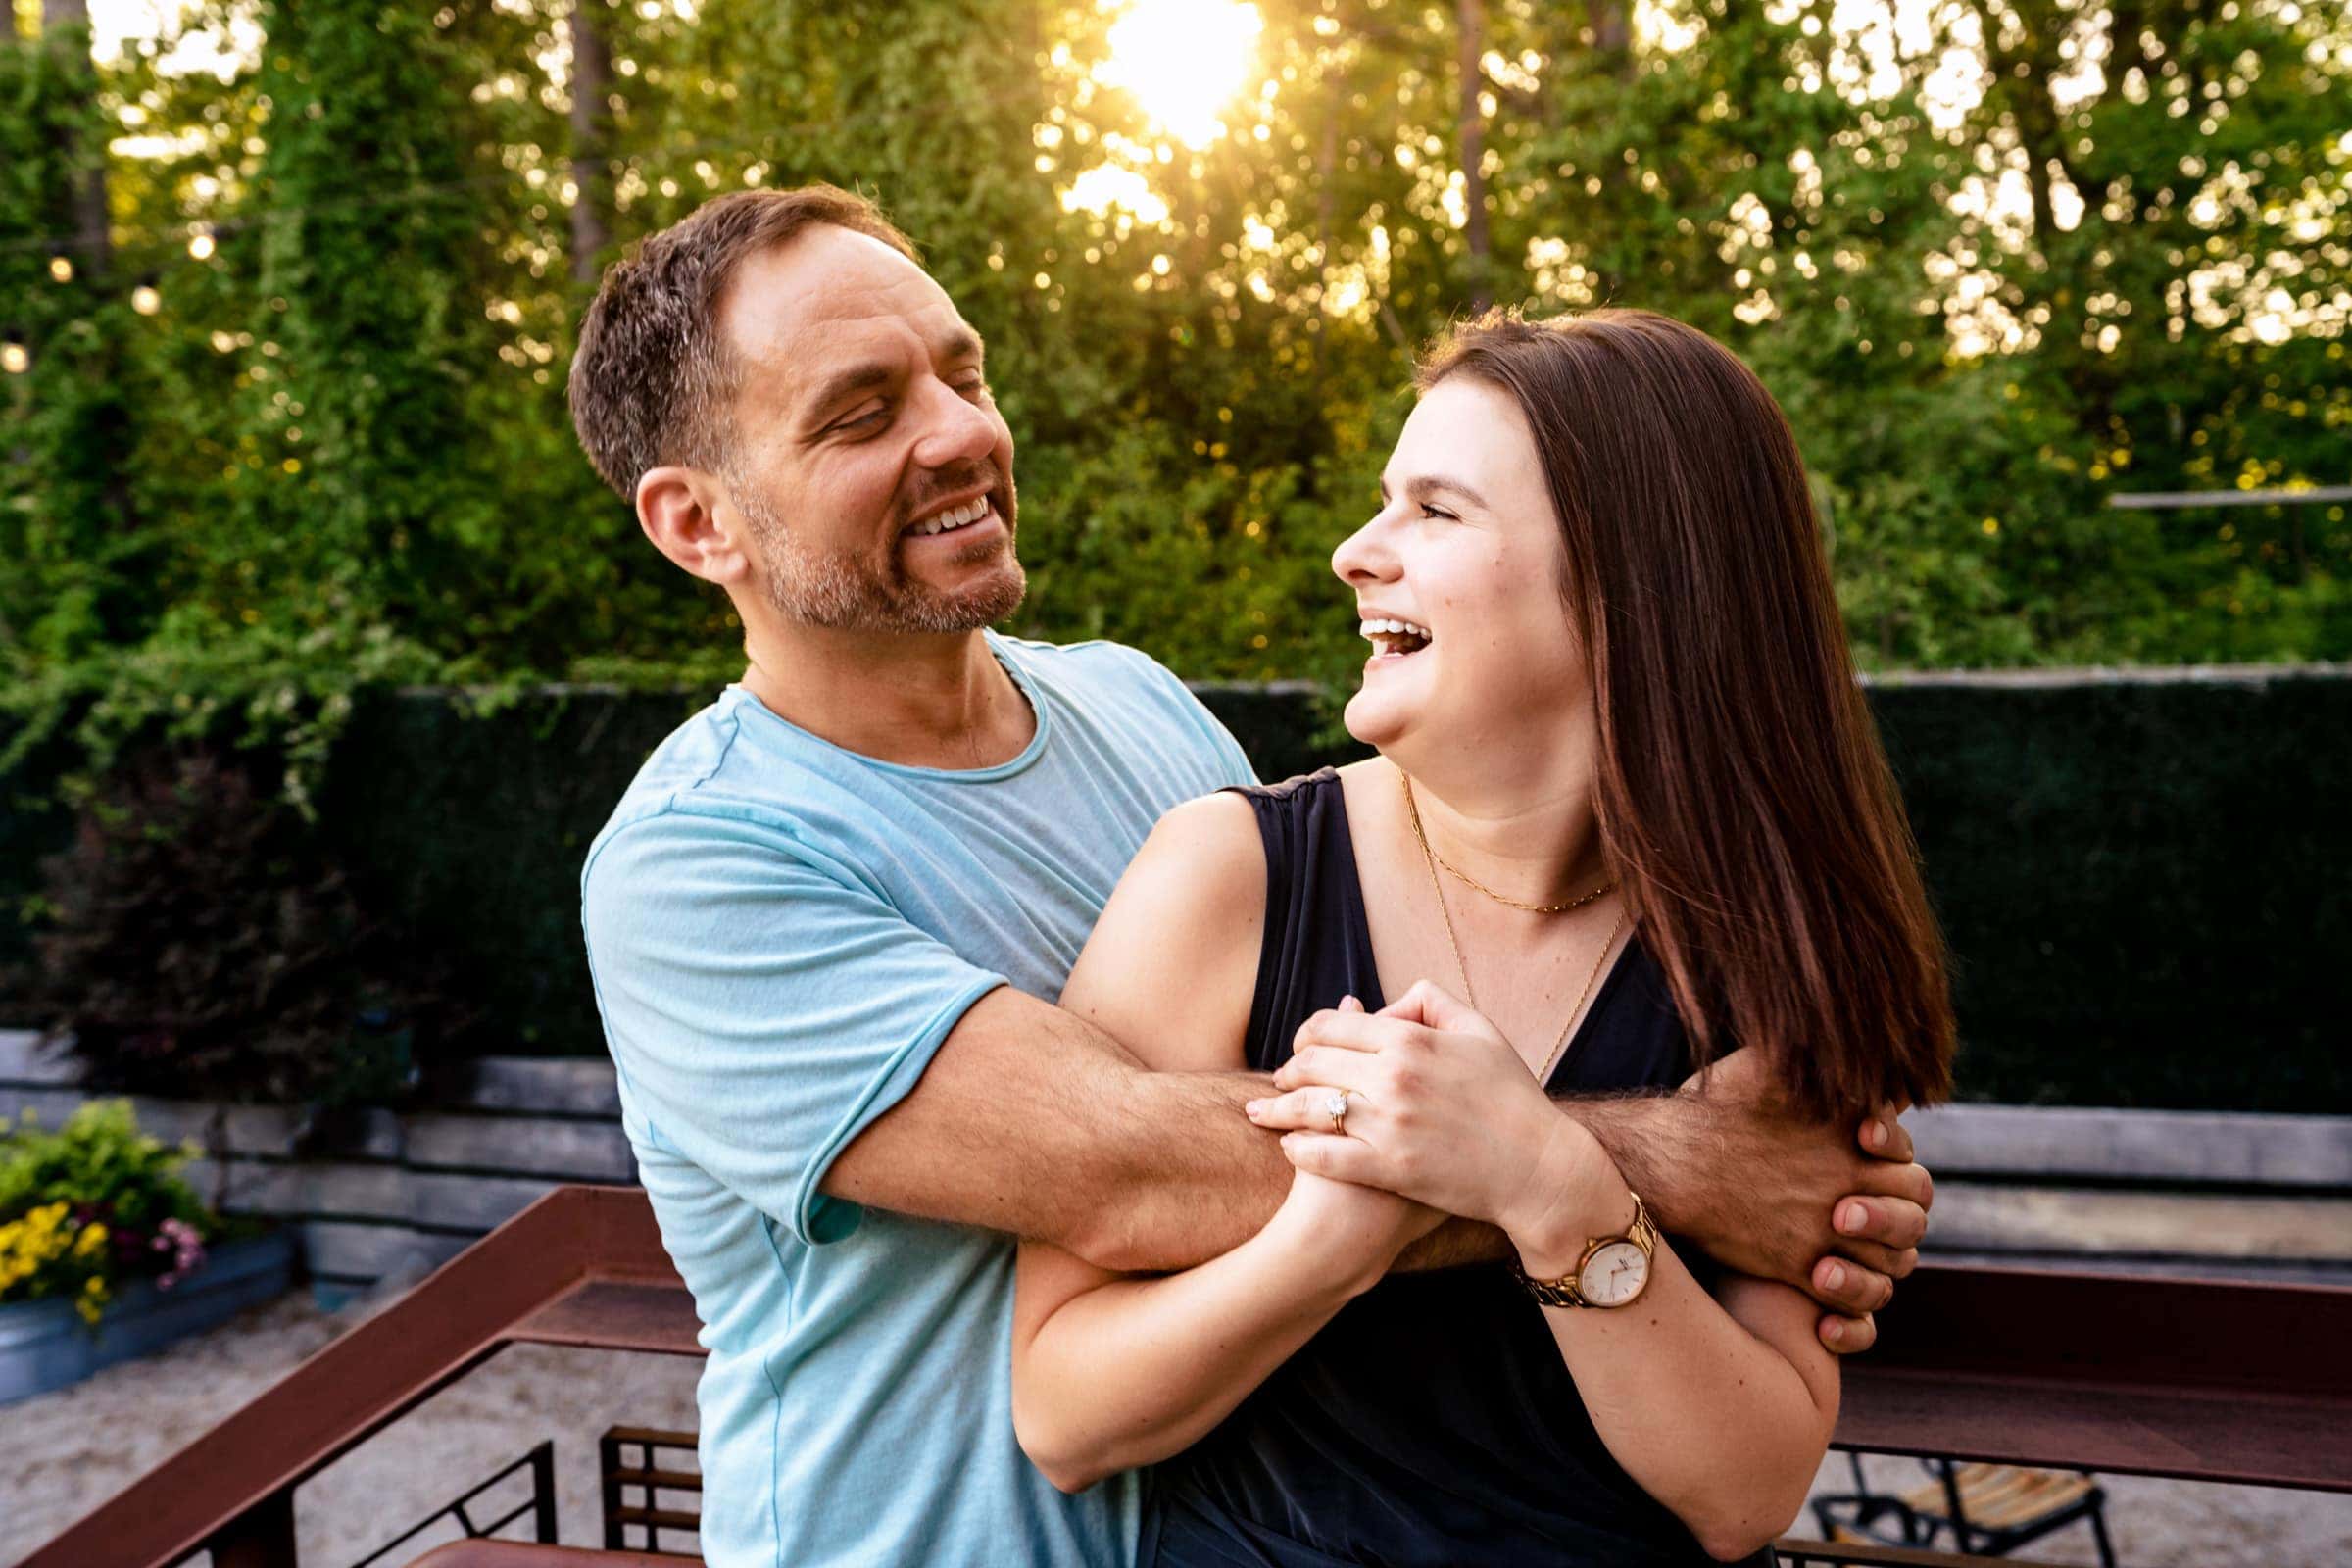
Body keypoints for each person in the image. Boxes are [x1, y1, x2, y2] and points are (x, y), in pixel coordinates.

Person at [570, 185, 1937, 1568]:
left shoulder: (1144, 718)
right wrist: (1678, 1164)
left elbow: (1329, 1054)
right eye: (864, 413)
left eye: (962, 369)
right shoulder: (705, 866)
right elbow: (1132, 1172)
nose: (964, 431)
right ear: (698, 525)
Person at [1010, 309, 1955, 1565]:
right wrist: (1351, 1222)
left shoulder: (1777, 948)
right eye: (1381, 503)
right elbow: (1066, 1415)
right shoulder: (1226, 873)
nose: (1356, 552)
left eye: (1437, 512)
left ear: (1632, 579)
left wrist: (1549, 1183)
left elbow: (1745, 1490)